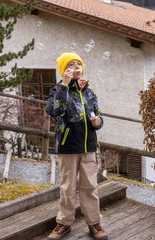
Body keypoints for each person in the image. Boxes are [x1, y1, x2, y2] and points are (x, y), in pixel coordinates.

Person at [46, 52, 107, 240]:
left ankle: (94, 223)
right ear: (64, 70)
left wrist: (98, 122)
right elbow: (55, 110)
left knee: (90, 187)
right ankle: (64, 223)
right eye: (70, 65)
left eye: (78, 64)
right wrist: (64, 85)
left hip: (88, 147)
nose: (76, 68)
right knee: (67, 187)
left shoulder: (89, 91)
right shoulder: (58, 90)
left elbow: (98, 116)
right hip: (67, 147)